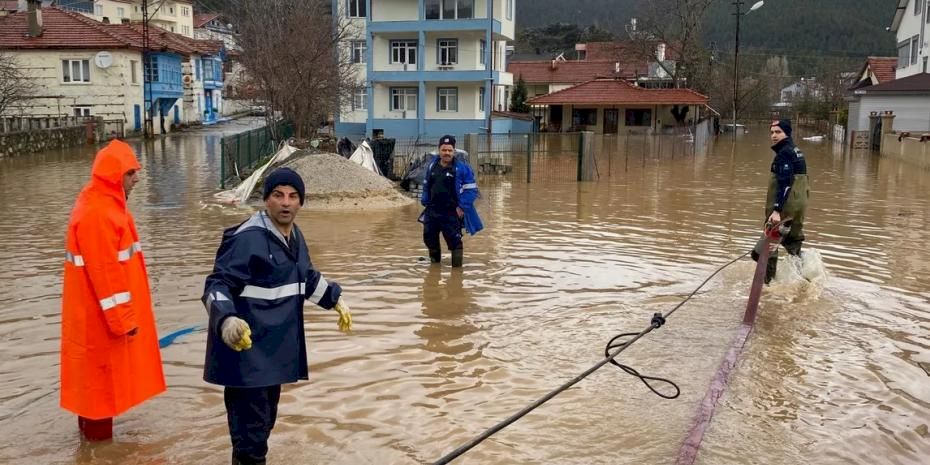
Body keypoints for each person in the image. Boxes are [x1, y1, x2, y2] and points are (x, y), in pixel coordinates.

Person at [202, 167, 353, 465]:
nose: (286, 203)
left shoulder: (294, 236)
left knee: (261, 428)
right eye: (278, 195)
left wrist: (335, 299)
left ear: (301, 202)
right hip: (246, 357)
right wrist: (227, 320)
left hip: (273, 356)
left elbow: (305, 278)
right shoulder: (248, 238)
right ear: (265, 200)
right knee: (252, 440)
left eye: (293, 196)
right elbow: (217, 285)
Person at [60, 140, 166, 441]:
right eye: (131, 172)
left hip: (95, 319)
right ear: (114, 174)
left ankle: (91, 452)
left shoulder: (102, 205)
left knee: (94, 394)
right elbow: (105, 274)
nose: (137, 178)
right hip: (100, 324)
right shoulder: (99, 213)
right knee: (98, 394)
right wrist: (124, 321)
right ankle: (99, 454)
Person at [753, 119, 809, 284]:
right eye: (771, 132)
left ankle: (767, 284)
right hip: (799, 205)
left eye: (778, 132)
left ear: (787, 133)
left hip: (785, 207)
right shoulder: (796, 151)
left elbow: (785, 182)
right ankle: (803, 280)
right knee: (793, 243)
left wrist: (777, 210)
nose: (774, 136)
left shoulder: (784, 153)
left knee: (765, 248)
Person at [419, 135, 483, 267]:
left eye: (449, 150)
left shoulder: (462, 168)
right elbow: (426, 185)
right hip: (432, 211)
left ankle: (457, 273)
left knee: (455, 242)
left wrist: (461, 207)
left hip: (451, 213)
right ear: (439, 150)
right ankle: (435, 267)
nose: (446, 153)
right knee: (429, 239)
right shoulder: (432, 165)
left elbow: (471, 190)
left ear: (454, 151)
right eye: (444, 150)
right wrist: (424, 201)